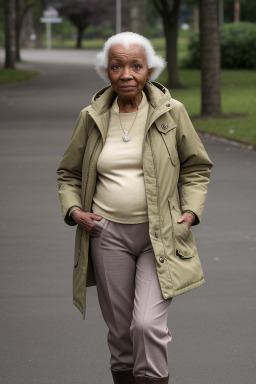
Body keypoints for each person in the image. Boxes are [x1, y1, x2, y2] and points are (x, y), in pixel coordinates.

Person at [57, 32, 213, 384]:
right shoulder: (91, 116)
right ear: (107, 72)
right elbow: (68, 172)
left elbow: (196, 166)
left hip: (160, 233)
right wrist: (74, 212)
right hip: (106, 234)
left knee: (147, 324)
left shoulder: (172, 113)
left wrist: (190, 211)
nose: (126, 73)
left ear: (150, 70)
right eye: (117, 66)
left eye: (136, 65)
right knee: (121, 333)